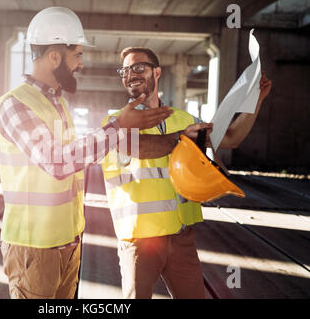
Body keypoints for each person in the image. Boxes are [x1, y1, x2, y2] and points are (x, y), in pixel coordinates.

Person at [0, 9, 172, 299]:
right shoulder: (15, 105)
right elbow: (57, 162)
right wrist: (118, 126)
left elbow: (78, 155)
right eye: (77, 55)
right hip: (34, 247)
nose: (81, 64)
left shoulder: (58, 104)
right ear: (54, 57)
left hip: (68, 243)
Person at [100, 47, 272, 299]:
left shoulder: (183, 118)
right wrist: (181, 139)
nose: (130, 75)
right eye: (124, 71)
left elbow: (231, 137)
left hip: (181, 236)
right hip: (139, 239)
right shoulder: (115, 122)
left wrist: (255, 101)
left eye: (138, 67)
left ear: (157, 72)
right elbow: (139, 148)